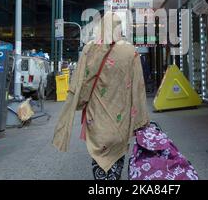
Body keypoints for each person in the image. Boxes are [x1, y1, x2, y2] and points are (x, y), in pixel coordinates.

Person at [52, 12, 150, 180]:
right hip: (121, 119)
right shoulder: (130, 51)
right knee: (117, 159)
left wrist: (79, 103)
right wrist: (141, 120)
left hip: (96, 120)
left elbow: (81, 84)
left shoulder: (90, 48)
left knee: (98, 159)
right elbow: (138, 88)